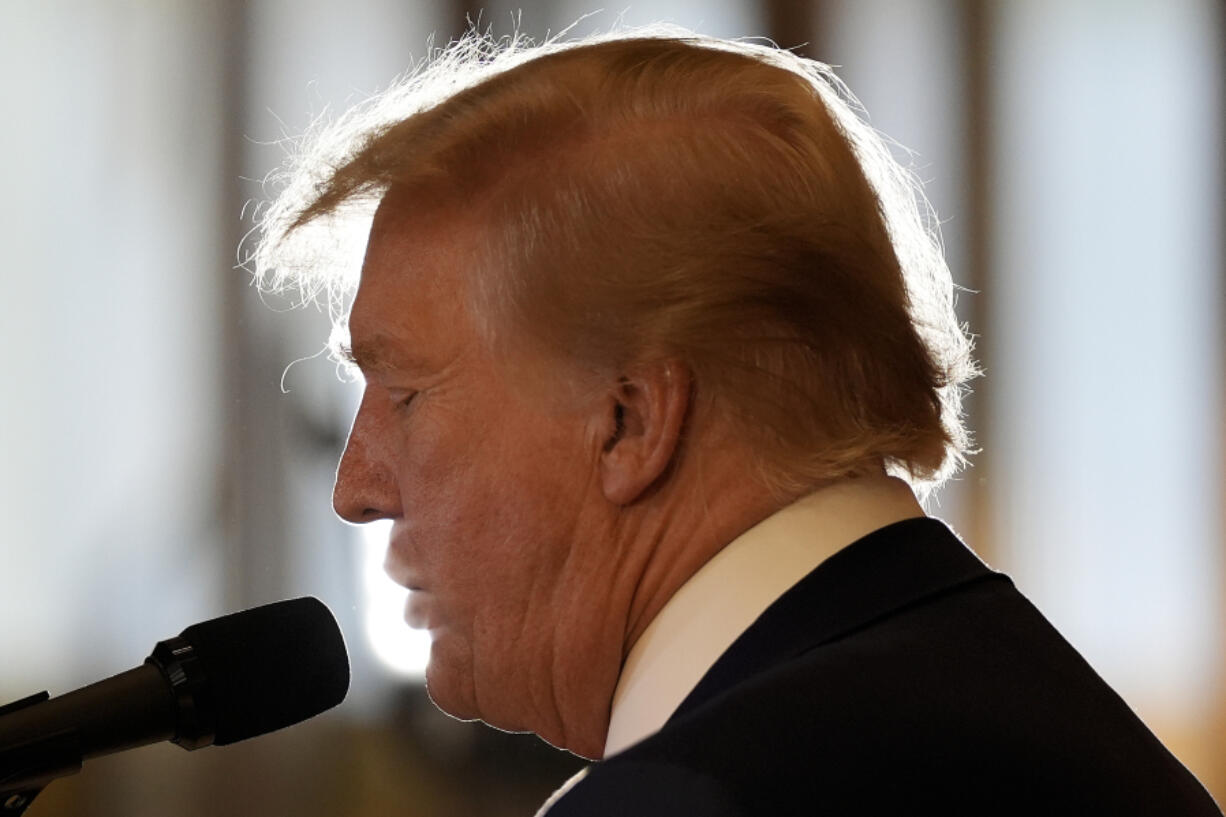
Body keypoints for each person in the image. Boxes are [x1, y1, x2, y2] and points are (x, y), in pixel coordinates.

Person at [253, 28, 1222, 816]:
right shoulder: (1057, 729)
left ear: (628, 423)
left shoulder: (690, 799)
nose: (356, 488)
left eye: (407, 394)